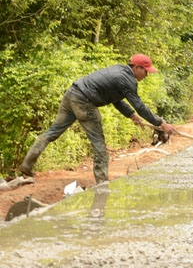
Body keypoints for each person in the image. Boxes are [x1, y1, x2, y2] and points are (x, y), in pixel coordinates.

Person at [19, 54, 176, 184]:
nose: (147, 75)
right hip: (84, 101)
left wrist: (131, 114)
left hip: (72, 94)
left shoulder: (119, 71)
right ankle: (102, 183)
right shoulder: (128, 80)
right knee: (98, 142)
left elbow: (117, 99)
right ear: (137, 68)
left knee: (53, 131)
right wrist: (161, 123)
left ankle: (27, 165)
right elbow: (140, 106)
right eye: (146, 71)